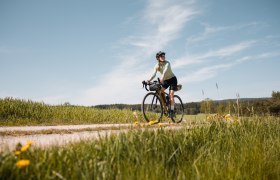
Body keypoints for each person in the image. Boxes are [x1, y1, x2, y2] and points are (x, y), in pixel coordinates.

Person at [147, 51, 178, 117]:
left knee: (171, 95)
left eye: (163, 55)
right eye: (161, 56)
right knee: (160, 91)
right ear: (158, 58)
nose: (163, 57)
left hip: (172, 79)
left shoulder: (167, 63)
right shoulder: (157, 66)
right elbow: (153, 74)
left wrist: (162, 76)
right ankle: (166, 104)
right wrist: (149, 80)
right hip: (166, 81)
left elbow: (165, 70)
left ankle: (172, 111)